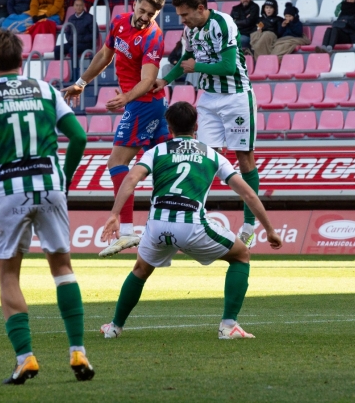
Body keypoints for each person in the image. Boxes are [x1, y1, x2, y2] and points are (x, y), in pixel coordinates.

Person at [0, 27, 93, 384]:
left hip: (10, 190)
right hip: (49, 184)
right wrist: (66, 175)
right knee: (62, 267)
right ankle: (78, 350)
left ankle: (25, 357)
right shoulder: (46, 90)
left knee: (9, 275)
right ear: (21, 59)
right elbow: (79, 136)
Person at [98, 101, 282, 340]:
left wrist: (114, 214)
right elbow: (248, 193)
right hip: (192, 225)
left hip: (156, 226)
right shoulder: (212, 155)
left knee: (141, 269)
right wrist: (269, 229)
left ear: (168, 127)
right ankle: (228, 326)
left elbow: (131, 178)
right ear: (197, 125)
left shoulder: (157, 151)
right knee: (240, 255)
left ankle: (114, 327)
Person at [62, 0, 167, 256]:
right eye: (141, 11)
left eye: (150, 14)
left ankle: (129, 231)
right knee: (165, 167)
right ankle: (169, 230)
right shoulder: (119, 22)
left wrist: (127, 99)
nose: (144, 17)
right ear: (134, 5)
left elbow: (147, 80)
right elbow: (104, 56)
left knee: (117, 163)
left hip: (143, 104)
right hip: (145, 104)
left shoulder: (153, 37)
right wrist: (81, 83)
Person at [157, 0, 259, 247]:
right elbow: (185, 60)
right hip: (208, 98)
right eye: (180, 15)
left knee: (244, 160)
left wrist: (196, 66)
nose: (183, 20)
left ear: (201, 8)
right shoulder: (190, 29)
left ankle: (249, 225)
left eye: (185, 14)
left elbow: (226, 66)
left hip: (236, 96)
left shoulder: (223, 23)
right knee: (203, 159)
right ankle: (194, 217)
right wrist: (164, 80)